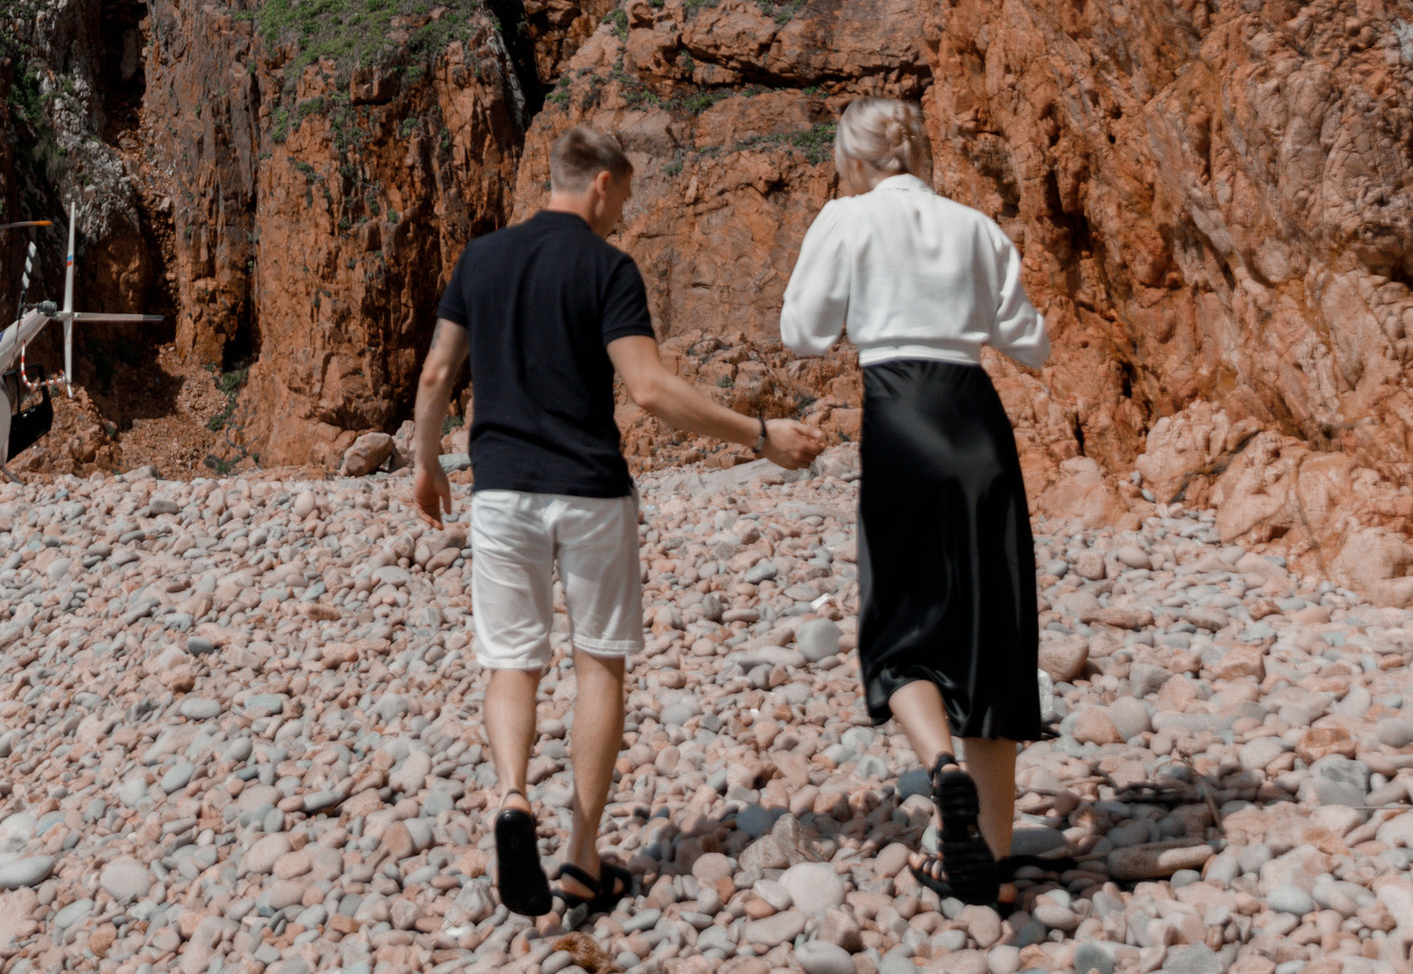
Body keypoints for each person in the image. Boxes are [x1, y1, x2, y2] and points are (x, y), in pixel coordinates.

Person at [412, 111, 827, 928]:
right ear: (601, 183)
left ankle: (511, 797)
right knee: (598, 662)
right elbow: (650, 390)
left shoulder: (481, 258)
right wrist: (759, 436)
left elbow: (435, 374)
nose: (621, 219)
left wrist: (426, 466)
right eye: (622, 201)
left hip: (500, 491)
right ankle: (581, 857)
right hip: (591, 492)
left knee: (512, 662)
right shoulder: (609, 268)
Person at [778, 92, 1050, 913]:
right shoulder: (975, 226)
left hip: (898, 414)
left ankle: (939, 769)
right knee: (989, 627)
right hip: (976, 420)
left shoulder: (846, 218)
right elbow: (1028, 342)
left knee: (899, 617)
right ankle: (994, 859)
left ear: (852, 160)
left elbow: (802, 331)